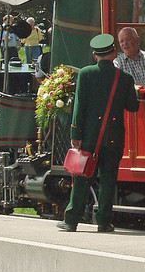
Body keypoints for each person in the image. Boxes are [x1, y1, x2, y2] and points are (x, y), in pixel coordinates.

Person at [59, 34, 139, 233]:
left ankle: (72, 220)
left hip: (90, 137)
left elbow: (79, 107)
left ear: (95, 55)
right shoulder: (125, 78)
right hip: (114, 137)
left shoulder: (86, 74)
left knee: (82, 177)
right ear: (114, 53)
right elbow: (133, 106)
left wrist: (75, 133)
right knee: (109, 179)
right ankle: (104, 221)